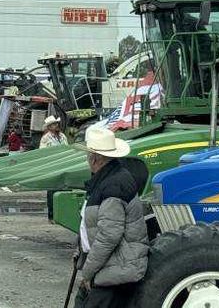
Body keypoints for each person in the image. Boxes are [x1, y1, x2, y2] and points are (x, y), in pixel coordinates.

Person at [73, 127, 148, 308]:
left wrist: (88, 272)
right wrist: (80, 251)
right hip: (110, 267)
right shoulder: (109, 178)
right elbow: (92, 225)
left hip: (116, 270)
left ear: (94, 158)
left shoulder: (114, 185)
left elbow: (109, 235)